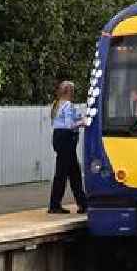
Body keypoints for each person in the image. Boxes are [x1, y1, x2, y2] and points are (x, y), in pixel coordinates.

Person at [48, 80, 87, 214]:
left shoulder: (56, 104)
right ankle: (55, 205)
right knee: (63, 173)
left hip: (58, 138)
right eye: (73, 91)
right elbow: (70, 124)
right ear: (69, 92)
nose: (74, 93)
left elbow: (57, 122)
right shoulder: (68, 105)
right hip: (67, 139)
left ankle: (82, 203)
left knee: (73, 172)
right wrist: (83, 122)